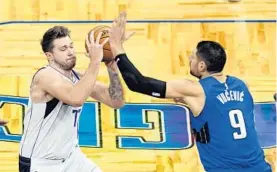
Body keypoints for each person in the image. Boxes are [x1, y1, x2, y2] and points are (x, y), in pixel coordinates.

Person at [109, 12, 272, 172]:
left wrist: (116, 47)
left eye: (193, 57)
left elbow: (138, 83)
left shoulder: (195, 90)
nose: (189, 60)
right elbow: (223, 112)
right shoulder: (240, 85)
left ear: (202, 66)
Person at [19, 24, 125, 172]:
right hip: (42, 163)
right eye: (63, 49)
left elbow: (116, 101)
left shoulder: (78, 78)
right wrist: (94, 62)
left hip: (72, 157)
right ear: (49, 55)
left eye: (71, 46)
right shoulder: (44, 76)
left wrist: (111, 68)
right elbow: (76, 98)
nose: (70, 52)